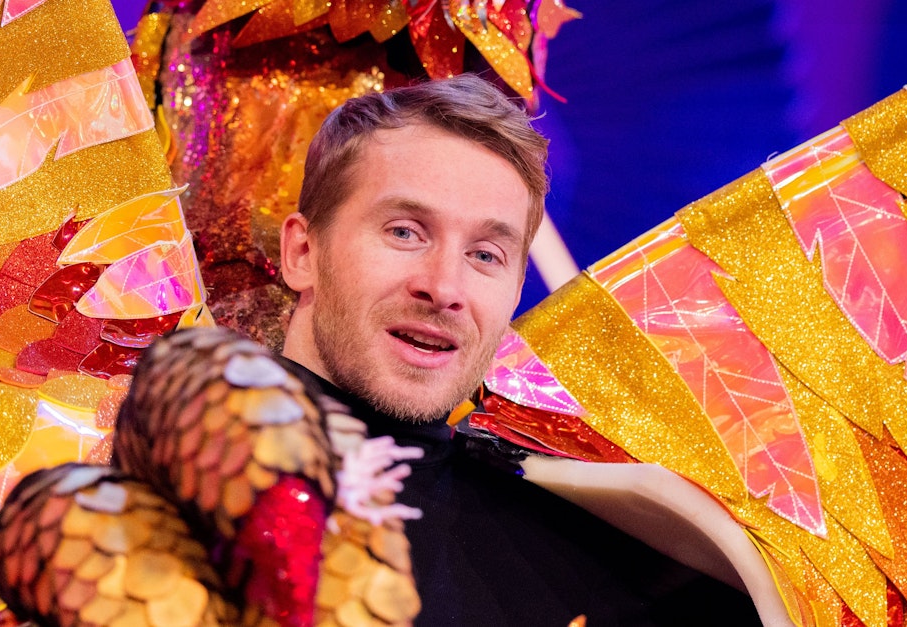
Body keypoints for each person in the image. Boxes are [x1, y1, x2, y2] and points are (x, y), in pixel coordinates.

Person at [272, 74, 763, 626]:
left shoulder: (615, 570)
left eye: (485, 255)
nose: (446, 288)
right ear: (302, 252)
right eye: (405, 232)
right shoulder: (168, 487)